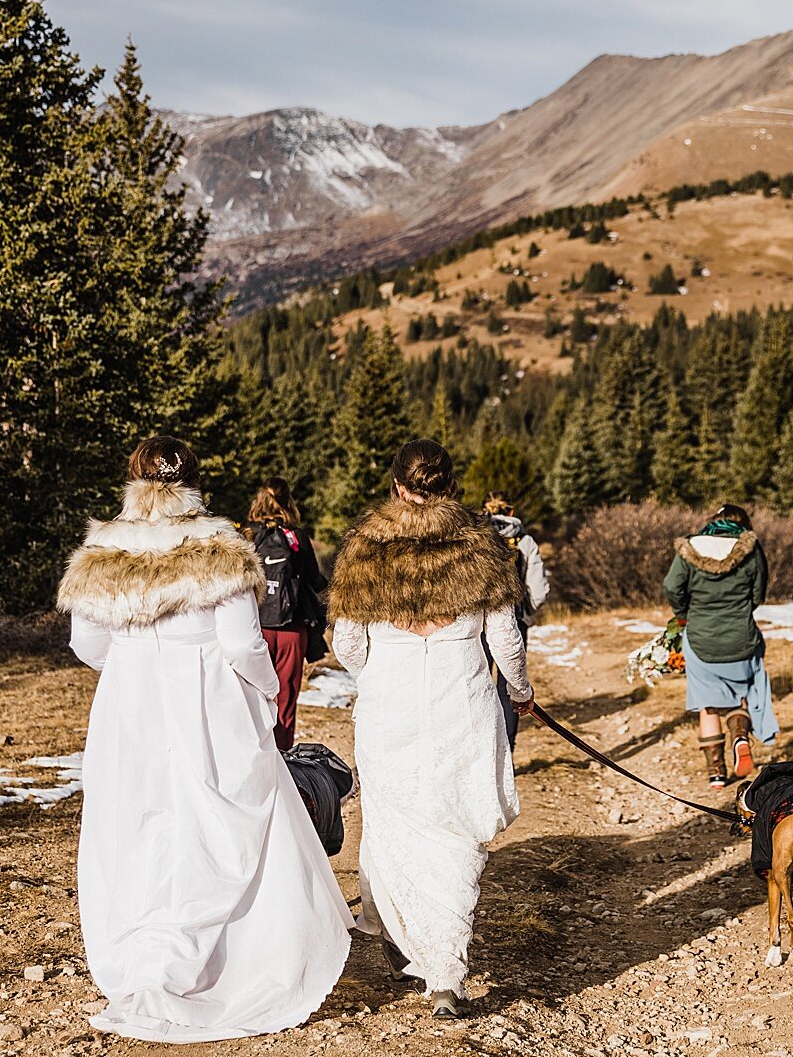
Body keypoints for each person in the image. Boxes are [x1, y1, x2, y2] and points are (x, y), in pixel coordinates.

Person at [57, 437, 351, 1043]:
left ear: (134, 480)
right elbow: (243, 643)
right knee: (216, 821)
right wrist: (267, 694)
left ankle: (143, 956)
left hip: (130, 707)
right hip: (208, 702)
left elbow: (87, 648)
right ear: (194, 483)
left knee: (140, 824)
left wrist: (137, 659)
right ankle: (223, 960)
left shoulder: (102, 549)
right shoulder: (220, 545)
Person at [327, 439, 534, 1018]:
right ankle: (443, 972)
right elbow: (506, 641)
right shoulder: (480, 545)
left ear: (397, 487)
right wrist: (520, 693)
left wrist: (381, 675)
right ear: (451, 487)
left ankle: (398, 934)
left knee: (392, 827)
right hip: (459, 702)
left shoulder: (366, 546)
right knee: (452, 834)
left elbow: (346, 644)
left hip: (387, 705)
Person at [663, 503, 777, 790]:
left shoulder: (690, 549)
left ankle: (715, 773)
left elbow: (671, 586)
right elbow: (758, 591)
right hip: (741, 636)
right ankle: (740, 737)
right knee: (740, 697)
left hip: (701, 638)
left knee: (708, 705)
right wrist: (742, 609)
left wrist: (683, 614)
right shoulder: (750, 549)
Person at [245, 477, 329, 750]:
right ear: (288, 502)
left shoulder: (247, 535)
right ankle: (281, 763)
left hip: (254, 629)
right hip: (292, 632)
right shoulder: (297, 537)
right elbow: (315, 581)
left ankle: (250, 760)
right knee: (285, 704)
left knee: (248, 700)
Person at [483, 491, 549, 747]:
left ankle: (484, 747)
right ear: (511, 512)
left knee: (479, 680)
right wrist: (528, 613)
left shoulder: (476, 536)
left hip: (478, 620)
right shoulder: (525, 541)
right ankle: (507, 748)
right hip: (514, 617)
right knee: (509, 687)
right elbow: (539, 589)